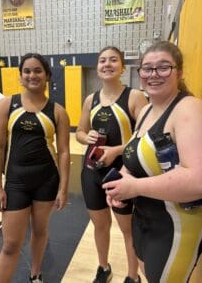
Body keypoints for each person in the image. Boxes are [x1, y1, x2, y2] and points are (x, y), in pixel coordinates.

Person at [103, 41, 202, 282]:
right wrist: (122, 178)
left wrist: (134, 187)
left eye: (163, 67)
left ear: (179, 71)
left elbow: (197, 180)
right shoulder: (147, 110)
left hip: (177, 227)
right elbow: (134, 154)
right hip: (144, 220)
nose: (153, 75)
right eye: (147, 68)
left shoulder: (188, 109)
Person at [0, 53, 70, 283]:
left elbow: (64, 152)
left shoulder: (58, 112)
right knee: (11, 244)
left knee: (40, 231)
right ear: (20, 76)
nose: (32, 75)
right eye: (27, 71)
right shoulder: (7, 105)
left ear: (47, 76)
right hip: (16, 183)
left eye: (37, 71)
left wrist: (63, 189)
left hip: (46, 181)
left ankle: (36, 274)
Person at [76, 46, 148, 283]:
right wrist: (86, 138)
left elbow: (144, 136)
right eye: (102, 61)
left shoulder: (135, 97)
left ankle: (131, 275)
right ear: (97, 68)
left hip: (121, 173)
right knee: (100, 225)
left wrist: (116, 150)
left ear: (123, 67)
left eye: (113, 60)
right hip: (91, 172)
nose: (107, 64)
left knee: (127, 229)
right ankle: (103, 267)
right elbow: (80, 132)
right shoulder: (91, 99)